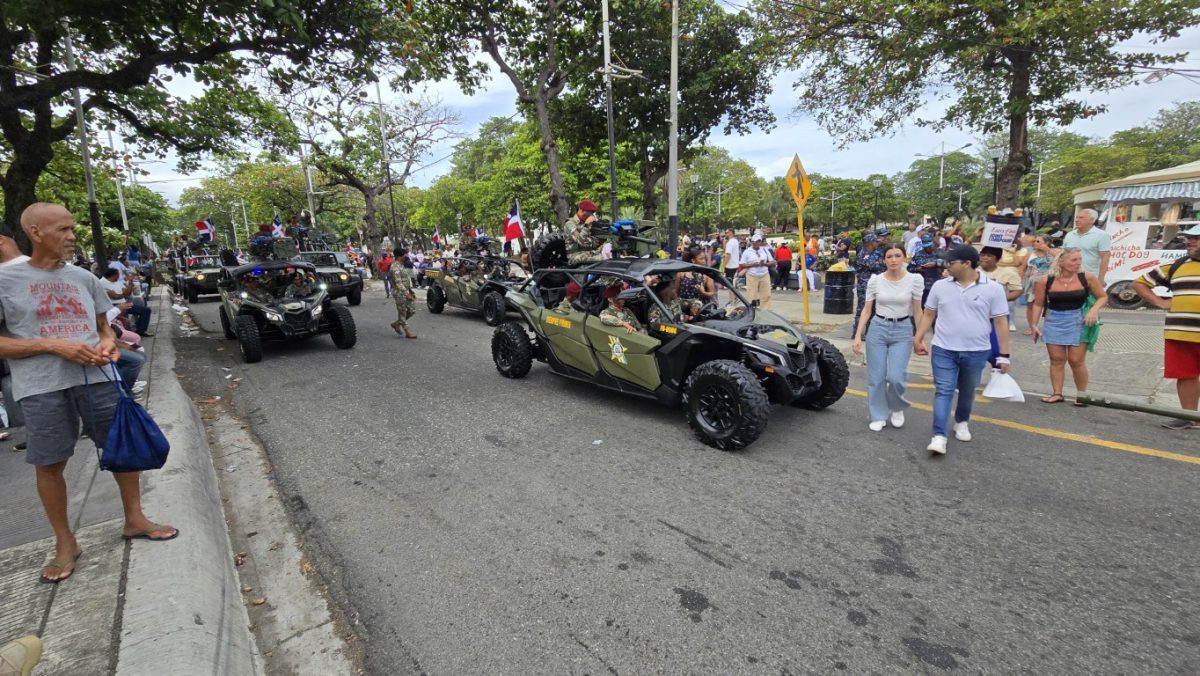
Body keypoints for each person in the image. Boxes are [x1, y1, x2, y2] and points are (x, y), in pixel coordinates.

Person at [0, 204, 179, 585]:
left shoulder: (83, 277)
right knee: (50, 462)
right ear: (35, 232)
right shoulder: (5, 280)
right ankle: (65, 541)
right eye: (63, 229)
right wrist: (54, 345)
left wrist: (108, 343)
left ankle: (134, 518)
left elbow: (103, 327)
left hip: (98, 377)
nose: (71, 236)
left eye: (72, 229)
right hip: (41, 385)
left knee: (121, 445)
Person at [913, 245, 1011, 455]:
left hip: (977, 350)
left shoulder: (993, 289)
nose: (946, 266)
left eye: (951, 262)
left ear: (967, 263)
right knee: (944, 390)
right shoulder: (940, 286)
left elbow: (1001, 322)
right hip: (943, 348)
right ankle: (939, 436)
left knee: (968, 390)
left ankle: (962, 421)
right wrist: (918, 337)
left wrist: (1004, 355)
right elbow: (929, 314)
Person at [1133, 223, 1200, 429]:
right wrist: (1161, 302)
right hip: (1180, 332)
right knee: (1186, 375)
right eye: (1188, 238)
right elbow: (1139, 283)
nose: (1189, 241)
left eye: (1196, 238)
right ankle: (1189, 417)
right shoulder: (1177, 265)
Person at [852, 244, 923, 431]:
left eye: (897, 255)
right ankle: (878, 415)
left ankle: (896, 407)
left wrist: (919, 337)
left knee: (896, 376)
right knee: (876, 377)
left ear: (904, 257)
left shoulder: (914, 280)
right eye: (889, 256)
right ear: (884, 260)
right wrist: (858, 335)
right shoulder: (875, 281)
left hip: (903, 329)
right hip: (878, 328)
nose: (893, 260)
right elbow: (866, 309)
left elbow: (918, 310)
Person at [1030, 248, 1108, 405]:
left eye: (1080, 259)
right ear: (1061, 262)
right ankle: (1057, 393)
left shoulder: (1086, 277)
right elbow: (1038, 304)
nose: (1078, 263)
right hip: (1054, 320)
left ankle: (1082, 395)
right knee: (1056, 359)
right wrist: (1033, 324)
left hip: (1080, 319)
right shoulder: (1046, 280)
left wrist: (1093, 310)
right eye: (1074, 260)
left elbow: (1102, 297)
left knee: (1076, 360)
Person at [979, 247, 1024, 331]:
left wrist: (1000, 299)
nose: (985, 258)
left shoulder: (1008, 273)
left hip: (997, 314)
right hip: (976, 313)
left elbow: (1018, 291)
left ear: (998, 258)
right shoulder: (973, 271)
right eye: (982, 255)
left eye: (989, 256)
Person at [1064, 208, 1112, 284]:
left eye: (1081, 218)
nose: (1077, 220)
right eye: (1077, 217)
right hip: (1068, 277)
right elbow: (1063, 255)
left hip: (1090, 278)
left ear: (1092, 220)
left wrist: (1101, 279)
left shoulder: (1102, 235)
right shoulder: (1069, 235)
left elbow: (1105, 258)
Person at [1021, 235, 1057, 335]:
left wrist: (1047, 250)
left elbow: (1061, 259)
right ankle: (1032, 326)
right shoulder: (1030, 253)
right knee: (1030, 305)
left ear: (1047, 243)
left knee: (1048, 305)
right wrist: (1021, 281)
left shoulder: (1053, 252)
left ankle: (1048, 327)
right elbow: (1023, 268)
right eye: (1034, 241)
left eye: (1038, 241)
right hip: (1031, 283)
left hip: (1048, 282)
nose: (1035, 243)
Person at [854, 234, 885, 330]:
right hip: (864, 286)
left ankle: (869, 331)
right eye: (876, 241)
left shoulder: (877, 252)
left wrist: (881, 264)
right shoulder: (863, 254)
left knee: (874, 310)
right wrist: (880, 264)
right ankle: (857, 332)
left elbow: (883, 265)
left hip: (876, 285)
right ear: (870, 243)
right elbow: (874, 266)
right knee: (862, 309)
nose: (877, 243)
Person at [387, 248, 417, 339]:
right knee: (402, 312)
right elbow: (398, 283)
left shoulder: (401, 265)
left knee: (412, 311)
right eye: (404, 255)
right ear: (399, 256)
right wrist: (406, 294)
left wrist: (410, 292)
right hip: (399, 293)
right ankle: (407, 332)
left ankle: (396, 324)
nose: (406, 256)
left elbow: (405, 280)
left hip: (406, 291)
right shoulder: (395, 267)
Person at [907, 233, 943, 306]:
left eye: (929, 246)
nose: (928, 248)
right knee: (925, 307)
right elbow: (909, 269)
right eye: (926, 247)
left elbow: (948, 263)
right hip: (923, 287)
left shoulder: (940, 252)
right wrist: (917, 269)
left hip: (938, 285)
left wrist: (936, 264)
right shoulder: (918, 254)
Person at [740, 234, 775, 309]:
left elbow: (772, 262)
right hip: (752, 275)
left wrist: (765, 264)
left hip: (764, 274)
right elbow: (742, 264)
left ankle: (765, 311)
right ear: (752, 242)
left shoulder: (764, 250)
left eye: (759, 241)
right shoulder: (747, 251)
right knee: (751, 296)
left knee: (766, 295)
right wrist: (753, 264)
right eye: (756, 241)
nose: (758, 243)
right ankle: (752, 310)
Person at [564, 199, 604, 264]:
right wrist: (586, 225)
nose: (591, 216)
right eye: (590, 213)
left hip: (589, 253)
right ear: (581, 210)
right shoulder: (569, 224)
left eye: (592, 213)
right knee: (602, 259)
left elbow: (596, 242)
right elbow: (579, 240)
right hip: (575, 256)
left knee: (611, 257)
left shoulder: (589, 223)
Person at [722, 229, 741, 303]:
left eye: (726, 232)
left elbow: (728, 255)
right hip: (735, 265)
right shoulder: (735, 241)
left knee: (730, 285)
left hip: (730, 266)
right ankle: (735, 298)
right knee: (733, 284)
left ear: (731, 233)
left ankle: (731, 301)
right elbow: (727, 252)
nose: (725, 234)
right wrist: (724, 244)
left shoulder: (730, 243)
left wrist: (723, 266)